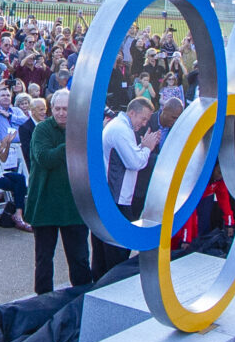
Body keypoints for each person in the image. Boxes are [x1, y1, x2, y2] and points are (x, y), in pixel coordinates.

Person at [27, 90, 91, 293]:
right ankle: (42, 301)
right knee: (44, 259)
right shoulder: (42, 130)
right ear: (50, 109)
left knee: (79, 258)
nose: (62, 113)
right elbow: (44, 157)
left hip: (74, 206)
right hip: (45, 204)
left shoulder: (81, 129)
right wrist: (71, 143)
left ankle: (81, 297)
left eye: (66, 109)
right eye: (57, 109)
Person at [93, 94, 163, 278]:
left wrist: (141, 147)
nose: (144, 123)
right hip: (117, 198)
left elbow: (129, 157)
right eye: (143, 118)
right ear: (132, 112)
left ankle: (101, 285)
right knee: (116, 251)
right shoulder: (121, 130)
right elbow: (135, 163)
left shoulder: (121, 127)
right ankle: (110, 287)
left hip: (115, 196)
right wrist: (147, 147)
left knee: (105, 249)